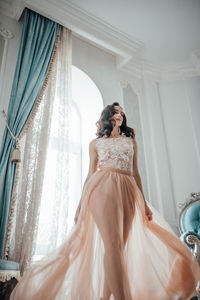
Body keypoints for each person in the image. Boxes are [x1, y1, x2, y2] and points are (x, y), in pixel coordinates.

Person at [10, 102, 200, 300]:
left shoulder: (130, 141)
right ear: (108, 117)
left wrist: (143, 203)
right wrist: (81, 205)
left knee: (118, 248)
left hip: (128, 191)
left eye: (122, 112)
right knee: (113, 244)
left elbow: (136, 173)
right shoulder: (96, 144)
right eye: (116, 112)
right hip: (102, 188)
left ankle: (103, 297)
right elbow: (90, 174)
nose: (120, 115)